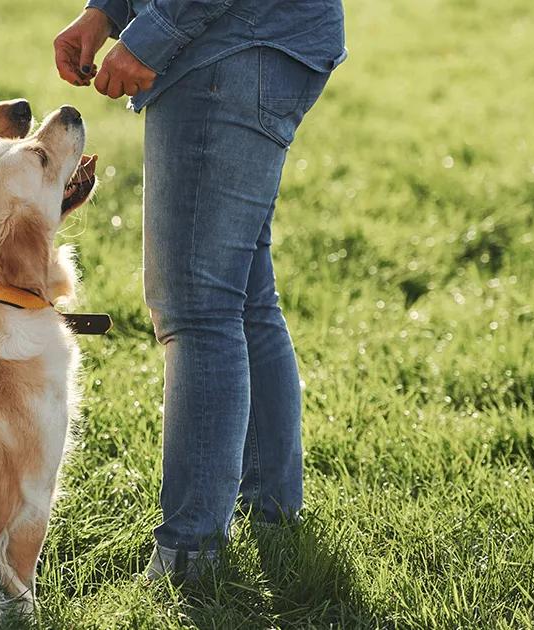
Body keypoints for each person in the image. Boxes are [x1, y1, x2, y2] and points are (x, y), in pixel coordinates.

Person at [54, 0, 346, 582]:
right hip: (255, 40)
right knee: (240, 295)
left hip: (230, 45)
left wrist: (153, 34)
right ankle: (271, 513)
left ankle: (191, 555)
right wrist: (107, 12)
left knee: (198, 306)